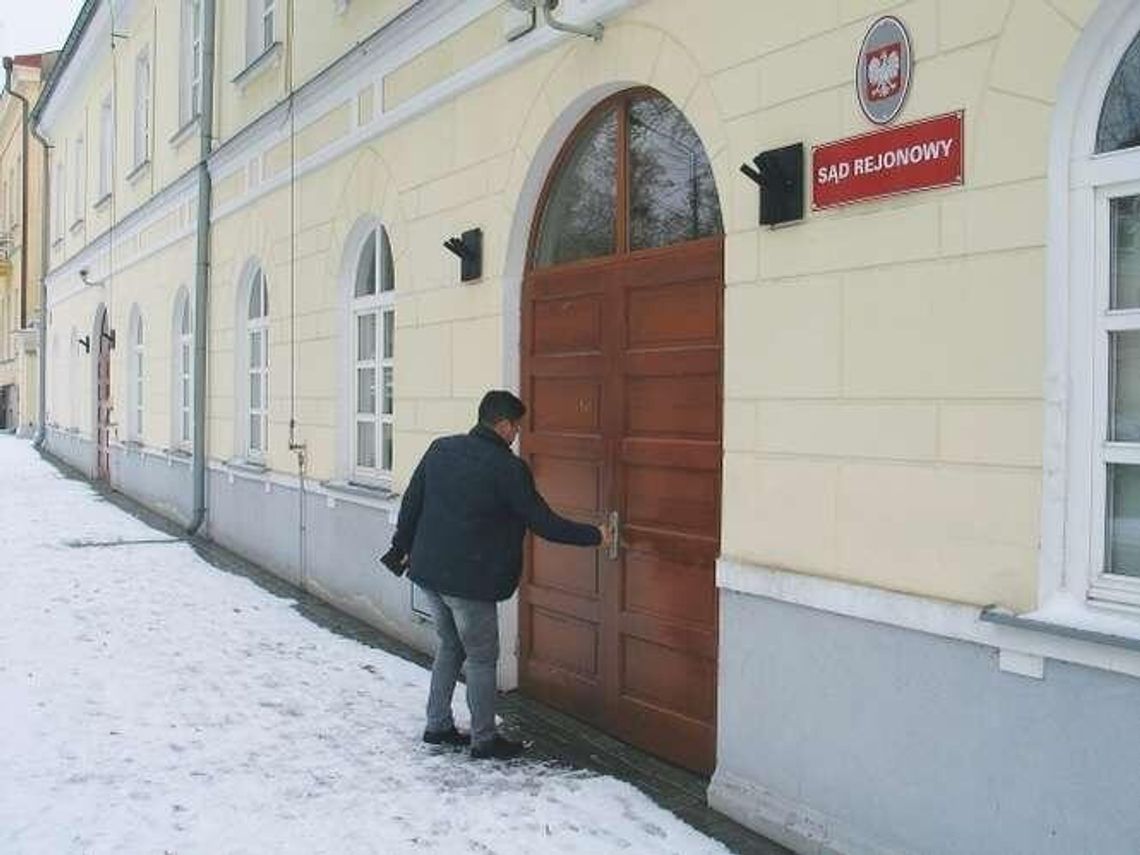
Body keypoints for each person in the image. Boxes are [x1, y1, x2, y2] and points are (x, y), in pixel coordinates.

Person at [381, 390, 611, 760]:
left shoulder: (441, 449)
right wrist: (595, 535)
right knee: (483, 657)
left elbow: (412, 501)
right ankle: (484, 740)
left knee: (450, 646)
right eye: (516, 426)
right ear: (503, 424)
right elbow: (544, 523)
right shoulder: (507, 468)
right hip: (470, 582)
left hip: (428, 573)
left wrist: (400, 547)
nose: (517, 433)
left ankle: (437, 725)